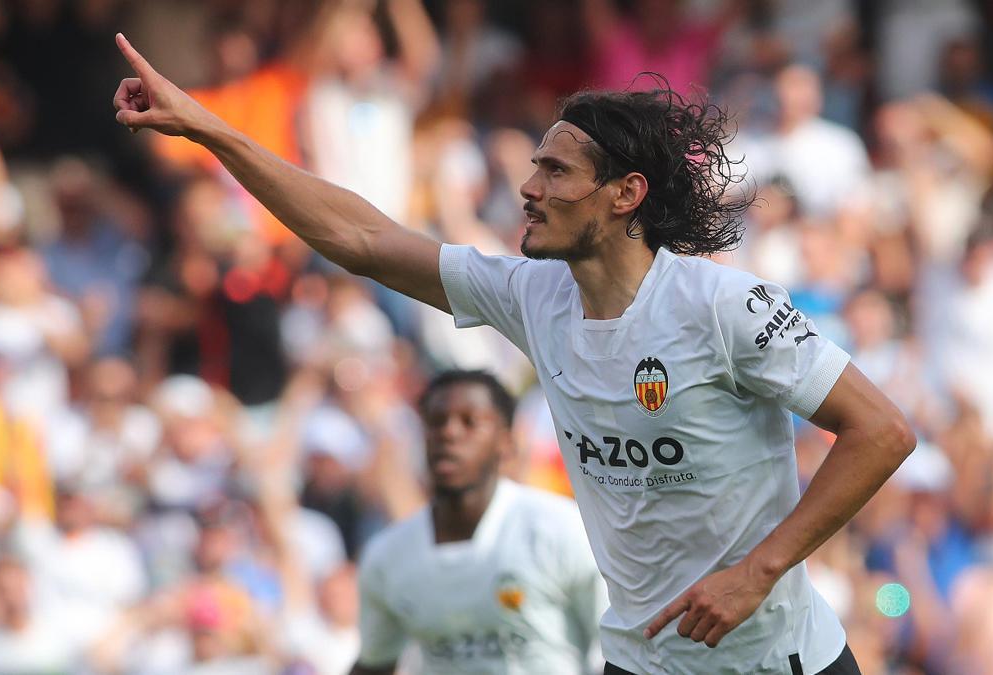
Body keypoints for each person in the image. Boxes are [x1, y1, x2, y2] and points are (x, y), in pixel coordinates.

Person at [112, 34, 916, 674]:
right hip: (638, 661)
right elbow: (361, 237)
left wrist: (760, 570)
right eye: (534, 165)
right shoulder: (533, 295)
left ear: (625, 194)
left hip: (775, 661)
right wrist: (208, 128)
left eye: (555, 170)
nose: (529, 186)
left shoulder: (723, 306)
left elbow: (882, 430)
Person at [351, 370, 606, 674]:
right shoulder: (388, 556)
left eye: (469, 422)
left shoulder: (560, 529)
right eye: (436, 422)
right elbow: (374, 664)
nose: (449, 433)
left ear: (507, 441)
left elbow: (616, 648)